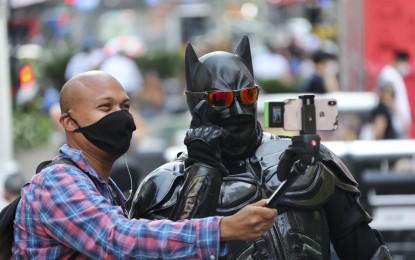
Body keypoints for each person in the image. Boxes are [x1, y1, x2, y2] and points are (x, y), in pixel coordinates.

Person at [130, 36, 392, 259]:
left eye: (247, 95)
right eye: (220, 99)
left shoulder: (309, 159)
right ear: (196, 103)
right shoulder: (163, 186)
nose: (238, 110)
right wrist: (203, 172)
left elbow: (367, 251)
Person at [12, 70, 277, 259]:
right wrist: (224, 228)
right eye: (105, 108)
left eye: (125, 106)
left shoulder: (105, 187)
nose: (121, 117)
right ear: (69, 122)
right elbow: (117, 240)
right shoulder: (57, 182)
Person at [378, 49, 412, 139]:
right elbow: (387, 98)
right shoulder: (388, 74)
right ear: (399, 61)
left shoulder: (396, 75)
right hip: (395, 126)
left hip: (400, 127)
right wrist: (402, 118)